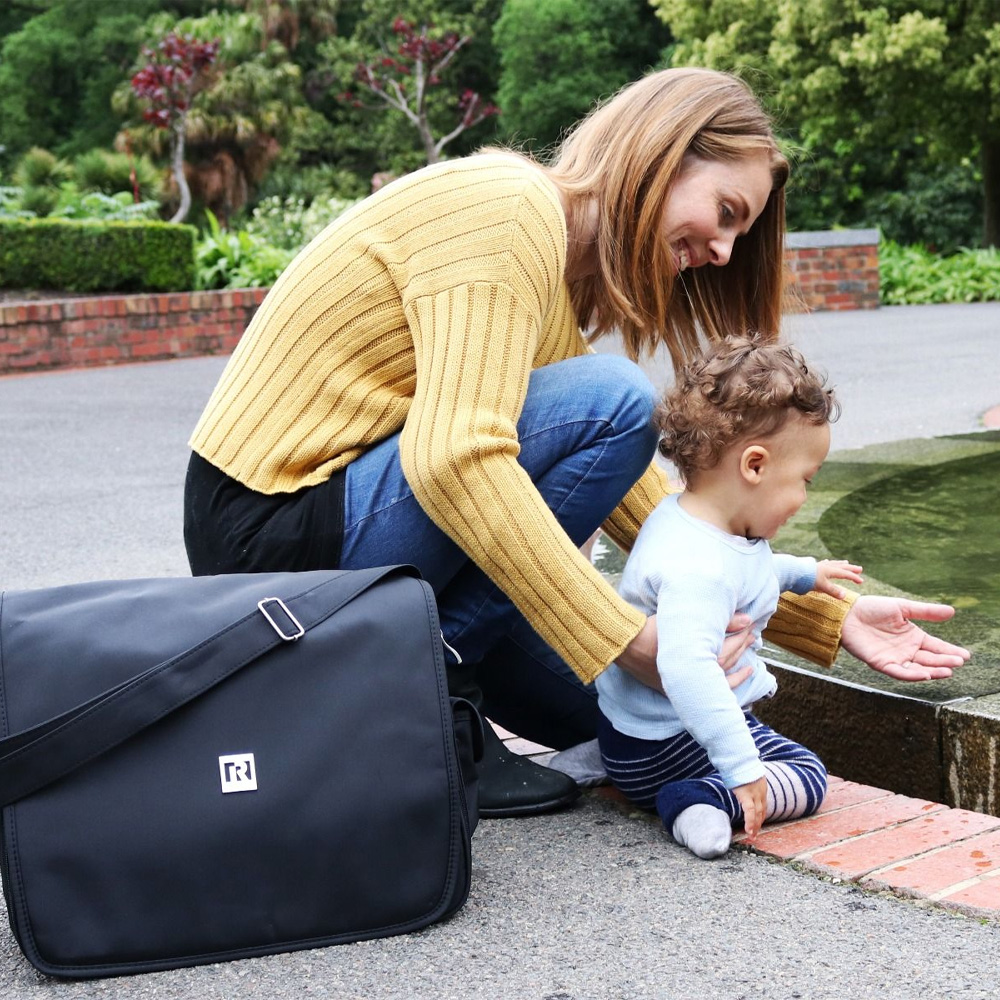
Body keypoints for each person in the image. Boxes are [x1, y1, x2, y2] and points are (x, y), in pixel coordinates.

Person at [183, 67, 970, 819]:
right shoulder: (505, 209)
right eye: (727, 212)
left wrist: (825, 617)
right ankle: (416, 709)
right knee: (620, 402)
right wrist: (624, 637)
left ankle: (429, 691)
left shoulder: (547, 272)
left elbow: (649, 507)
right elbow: (457, 458)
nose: (726, 252)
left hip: (338, 526)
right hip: (274, 527)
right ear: (664, 152)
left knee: (625, 718)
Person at [597, 336, 862, 859]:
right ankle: (699, 800)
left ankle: (608, 760)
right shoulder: (702, 570)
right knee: (808, 774)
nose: (803, 499)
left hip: (631, 733)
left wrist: (804, 573)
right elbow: (687, 669)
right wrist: (741, 768)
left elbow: (746, 572)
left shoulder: (684, 519)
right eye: (805, 481)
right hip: (669, 748)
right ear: (755, 465)